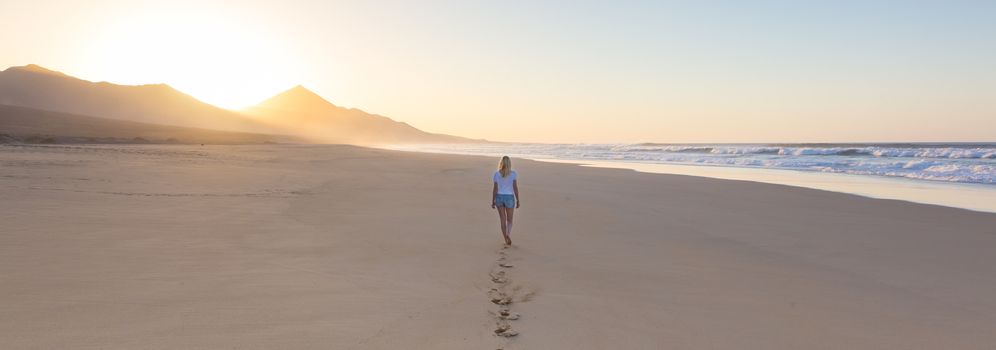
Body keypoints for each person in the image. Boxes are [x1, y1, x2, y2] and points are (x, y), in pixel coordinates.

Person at [491, 156, 520, 245]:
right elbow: (515, 188)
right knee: (510, 220)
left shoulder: (496, 174)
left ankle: (505, 238)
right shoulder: (513, 174)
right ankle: (508, 234)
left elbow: (495, 189)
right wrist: (518, 199)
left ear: (501, 163)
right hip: (509, 197)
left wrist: (493, 200)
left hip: (499, 197)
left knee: (502, 220)